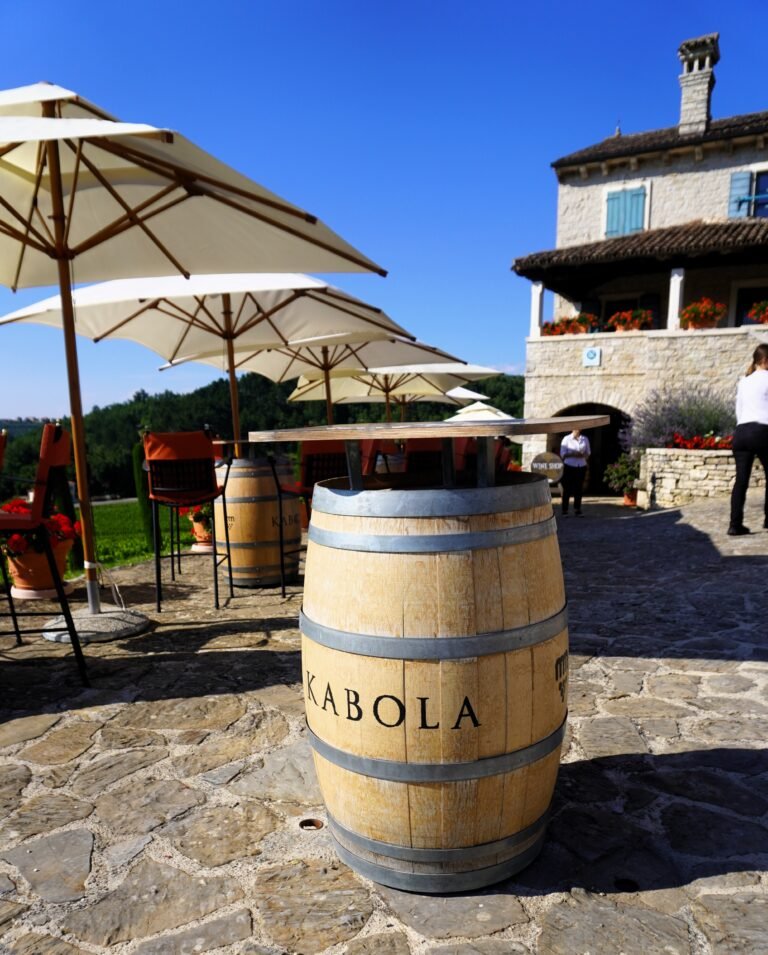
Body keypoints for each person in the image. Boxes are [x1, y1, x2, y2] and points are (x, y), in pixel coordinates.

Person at [728, 342, 768, 536]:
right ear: (765, 360)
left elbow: (739, 410)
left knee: (741, 481)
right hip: (763, 431)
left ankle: (735, 525)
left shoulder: (744, 381)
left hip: (742, 432)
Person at [559, 428, 591, 517]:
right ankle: (564, 510)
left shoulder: (585, 439)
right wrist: (574, 454)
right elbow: (563, 454)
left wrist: (583, 455)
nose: (578, 430)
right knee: (567, 489)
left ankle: (577, 509)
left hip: (581, 465)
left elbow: (588, 452)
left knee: (579, 488)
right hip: (569, 465)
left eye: (579, 428)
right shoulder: (566, 439)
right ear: (572, 429)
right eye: (576, 428)